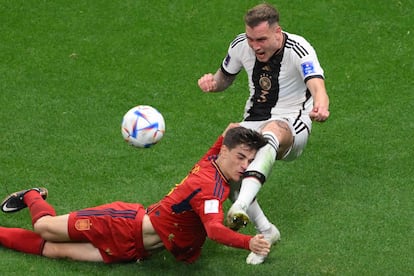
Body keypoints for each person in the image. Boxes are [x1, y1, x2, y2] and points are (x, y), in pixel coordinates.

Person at [0, 124, 270, 264]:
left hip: (135, 248)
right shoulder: (210, 189)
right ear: (226, 152)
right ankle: (32, 196)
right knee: (44, 227)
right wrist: (249, 243)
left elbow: (220, 142)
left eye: (250, 160)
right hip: (120, 223)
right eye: (241, 157)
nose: (245, 166)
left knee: (55, 251)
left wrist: (233, 131)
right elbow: (213, 231)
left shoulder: (214, 162)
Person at [198, 3, 330, 264]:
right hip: (254, 120)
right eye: (250, 38)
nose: (255, 46)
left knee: (272, 131)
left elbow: (316, 83)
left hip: (292, 123)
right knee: (229, 156)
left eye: (261, 39)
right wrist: (211, 84)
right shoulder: (240, 45)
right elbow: (223, 77)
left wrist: (321, 104)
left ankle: (240, 206)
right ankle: (266, 232)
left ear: (277, 32)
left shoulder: (298, 48)